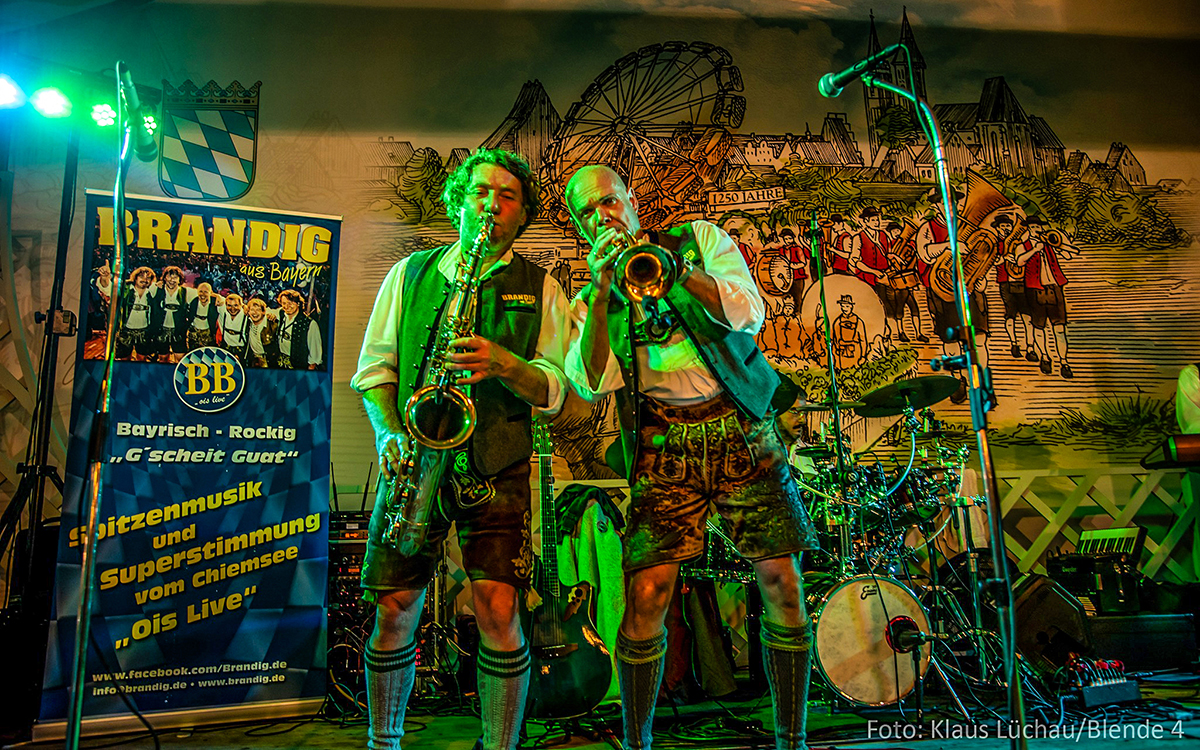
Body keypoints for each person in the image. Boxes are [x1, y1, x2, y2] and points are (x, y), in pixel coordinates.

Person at [563, 165, 819, 750]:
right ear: (579, 227)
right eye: (587, 213)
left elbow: (748, 312)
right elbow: (591, 379)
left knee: (781, 581)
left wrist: (676, 269)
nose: (602, 217)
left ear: (631, 200)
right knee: (647, 593)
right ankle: (637, 742)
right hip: (664, 442)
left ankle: (793, 738)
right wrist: (601, 293)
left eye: (608, 202)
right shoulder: (590, 296)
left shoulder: (699, 239)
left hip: (741, 427)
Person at [352, 149, 574, 750]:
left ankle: (500, 745)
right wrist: (389, 432)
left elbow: (558, 390)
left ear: (522, 213)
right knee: (395, 608)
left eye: (507, 196)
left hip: (497, 465)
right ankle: (383, 741)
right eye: (481, 192)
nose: (491, 204)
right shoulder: (409, 274)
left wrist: (506, 364)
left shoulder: (543, 286)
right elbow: (375, 370)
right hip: (413, 459)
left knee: (499, 612)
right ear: (459, 202)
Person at [1022, 216, 1075, 379]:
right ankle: (1045, 357)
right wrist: (1034, 250)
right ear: (1028, 229)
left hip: (1054, 288)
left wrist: (1061, 244)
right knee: (1039, 327)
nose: (1036, 229)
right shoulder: (1023, 245)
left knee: (1059, 328)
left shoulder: (1049, 244)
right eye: (1033, 227)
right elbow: (1019, 261)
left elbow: (1068, 256)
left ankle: (1064, 362)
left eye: (1038, 227)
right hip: (1035, 289)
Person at [115, 266, 158, 361]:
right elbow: (107, 289)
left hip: (144, 331)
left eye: (148, 278)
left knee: (142, 360)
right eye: (141, 276)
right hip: (126, 330)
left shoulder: (152, 293)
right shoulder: (125, 290)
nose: (145, 280)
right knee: (125, 360)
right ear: (135, 278)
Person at [275, 289, 322, 370]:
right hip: (281, 365)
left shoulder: (310, 324)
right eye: (284, 303)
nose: (287, 306)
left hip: (298, 368)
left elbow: (314, 354)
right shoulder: (281, 315)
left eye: (290, 303)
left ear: (298, 303)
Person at [218, 293, 249, 358]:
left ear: (241, 305)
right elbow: (208, 293)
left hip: (241, 350)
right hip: (226, 348)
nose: (232, 309)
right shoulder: (223, 310)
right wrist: (217, 296)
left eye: (236, 305)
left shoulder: (246, 314)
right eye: (229, 305)